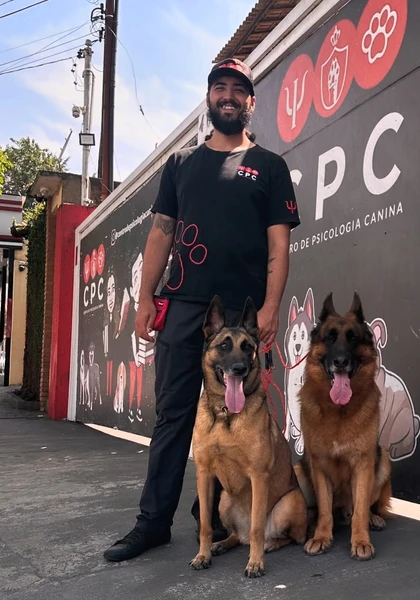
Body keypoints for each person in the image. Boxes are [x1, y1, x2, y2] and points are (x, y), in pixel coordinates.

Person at [103, 58, 301, 562]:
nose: (228, 96)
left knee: (240, 416)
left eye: (238, 89)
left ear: (251, 101)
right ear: (209, 98)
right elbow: (160, 234)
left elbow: (279, 246)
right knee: (173, 415)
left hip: (240, 316)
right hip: (183, 306)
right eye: (220, 88)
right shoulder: (180, 164)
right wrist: (145, 298)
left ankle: (212, 520)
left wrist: (271, 307)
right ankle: (152, 524)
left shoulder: (271, 167)